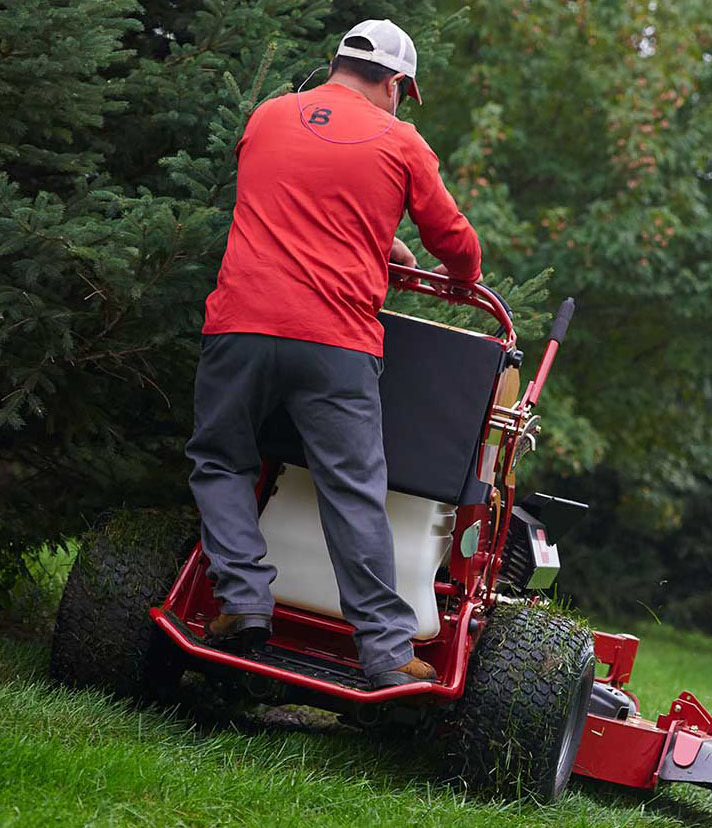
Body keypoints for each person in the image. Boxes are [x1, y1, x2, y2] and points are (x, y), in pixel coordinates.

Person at [184, 19, 482, 688]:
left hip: (241, 326)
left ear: (338, 63)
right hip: (335, 343)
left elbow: (290, 206)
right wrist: (458, 275)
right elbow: (456, 244)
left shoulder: (267, 116)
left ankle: (244, 602)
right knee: (352, 491)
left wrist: (381, 242)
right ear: (395, 83)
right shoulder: (401, 142)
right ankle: (384, 652)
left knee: (221, 460)